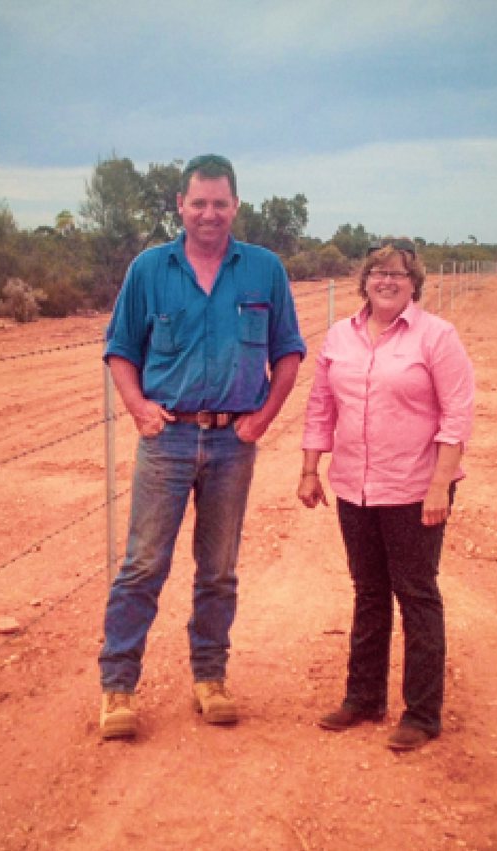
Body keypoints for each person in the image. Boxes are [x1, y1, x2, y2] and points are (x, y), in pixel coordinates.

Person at [98, 154, 306, 740]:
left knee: (218, 570)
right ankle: (118, 689)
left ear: (236, 206)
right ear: (180, 206)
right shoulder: (149, 269)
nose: (209, 213)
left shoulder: (264, 270)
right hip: (167, 440)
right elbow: (121, 349)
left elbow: (288, 351)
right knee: (143, 566)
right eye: (199, 203)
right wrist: (139, 409)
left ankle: (210, 679)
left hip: (233, 443)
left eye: (220, 203)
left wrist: (263, 419)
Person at [298, 238, 474, 752]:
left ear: (414, 282)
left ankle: (421, 714)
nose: (388, 280)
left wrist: (440, 484)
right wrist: (310, 469)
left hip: (416, 489)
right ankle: (363, 698)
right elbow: (320, 407)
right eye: (378, 271)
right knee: (369, 592)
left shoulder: (437, 338)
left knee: (416, 595)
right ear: (365, 280)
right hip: (355, 485)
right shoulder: (339, 337)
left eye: (398, 273)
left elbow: (456, 415)